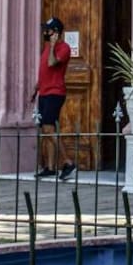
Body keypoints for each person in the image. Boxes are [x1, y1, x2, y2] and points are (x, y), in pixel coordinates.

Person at [31, 16, 75, 180]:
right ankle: (50, 167)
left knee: (49, 129)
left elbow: (51, 63)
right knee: (46, 130)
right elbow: (45, 70)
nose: (45, 33)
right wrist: (36, 88)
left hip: (55, 93)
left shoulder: (64, 48)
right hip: (44, 92)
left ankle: (68, 162)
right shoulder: (47, 47)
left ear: (56, 32)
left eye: (48, 30)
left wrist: (52, 46)